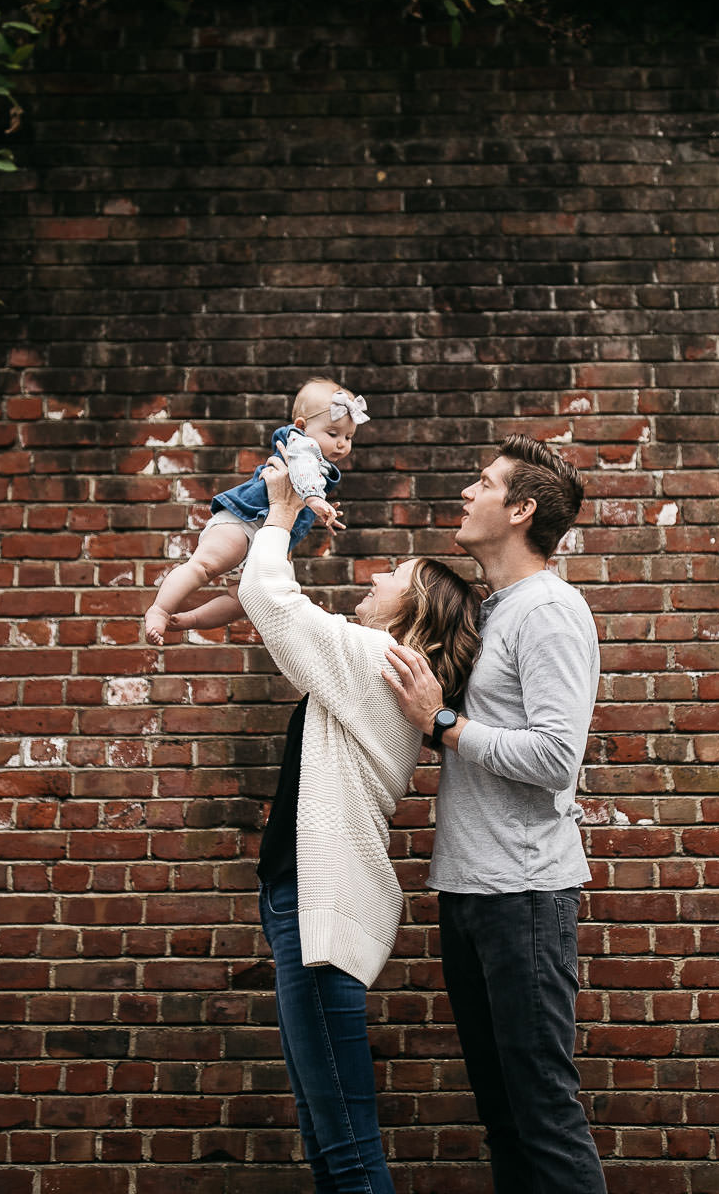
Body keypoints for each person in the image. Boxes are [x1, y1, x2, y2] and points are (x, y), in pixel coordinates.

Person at [238, 448, 483, 1194]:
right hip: (309, 909)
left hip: (322, 917)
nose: (374, 578)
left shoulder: (383, 659)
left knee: (344, 1149)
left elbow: (269, 600)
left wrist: (281, 510)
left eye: (393, 577)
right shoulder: (381, 667)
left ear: (413, 612)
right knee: (328, 1140)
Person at [381, 434, 605, 1193]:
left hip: (525, 897)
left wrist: (440, 722)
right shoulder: (496, 609)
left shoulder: (550, 610)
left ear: (520, 509)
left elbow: (554, 759)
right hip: (474, 891)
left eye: (483, 483)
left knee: (542, 1115)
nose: (467, 492)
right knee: (505, 1118)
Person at [144, 376, 368, 645]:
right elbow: (301, 470)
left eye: (348, 436)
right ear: (301, 426)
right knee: (203, 568)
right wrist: (314, 499)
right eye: (333, 434)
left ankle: (190, 620)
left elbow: (297, 492)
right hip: (243, 522)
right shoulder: (299, 443)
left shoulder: (320, 463)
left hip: (260, 542)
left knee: (241, 601)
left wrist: (319, 511)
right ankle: (160, 609)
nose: (342, 443)